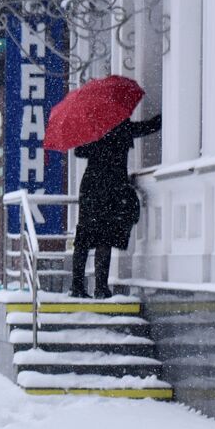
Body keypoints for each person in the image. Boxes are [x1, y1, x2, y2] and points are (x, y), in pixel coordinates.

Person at [70, 113, 161, 298]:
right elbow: (148, 127)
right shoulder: (122, 126)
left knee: (84, 238)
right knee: (105, 238)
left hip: (92, 187)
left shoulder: (94, 127)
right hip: (113, 188)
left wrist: (90, 135)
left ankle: (77, 287)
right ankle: (101, 288)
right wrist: (164, 116)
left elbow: (79, 151)